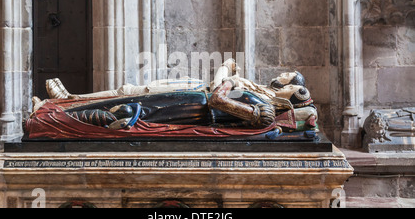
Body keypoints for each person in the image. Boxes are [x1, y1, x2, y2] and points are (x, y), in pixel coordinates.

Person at [25, 60, 318, 140]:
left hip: (194, 106)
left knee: (128, 104)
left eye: (286, 77)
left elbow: (218, 100)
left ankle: (54, 114)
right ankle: (63, 104)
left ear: (292, 92)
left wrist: (226, 75)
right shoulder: (261, 97)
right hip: (195, 97)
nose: (280, 76)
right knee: (130, 93)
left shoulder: (265, 108)